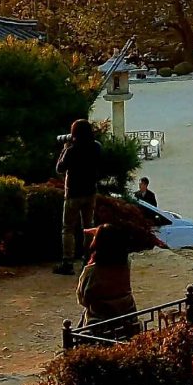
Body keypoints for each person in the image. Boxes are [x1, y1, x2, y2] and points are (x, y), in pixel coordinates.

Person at [54, 118, 101, 273]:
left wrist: (65, 148)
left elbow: (60, 168)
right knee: (88, 227)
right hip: (90, 192)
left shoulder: (71, 150)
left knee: (68, 228)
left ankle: (67, 262)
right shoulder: (96, 147)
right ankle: (88, 260)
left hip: (73, 193)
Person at [75, 224, 138, 336]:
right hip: (127, 317)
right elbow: (112, 237)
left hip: (100, 324)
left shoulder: (92, 271)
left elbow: (83, 299)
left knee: (81, 326)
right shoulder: (125, 265)